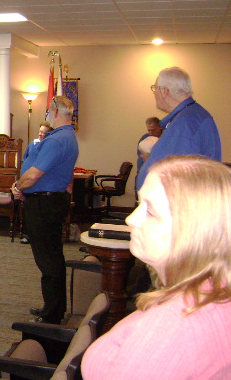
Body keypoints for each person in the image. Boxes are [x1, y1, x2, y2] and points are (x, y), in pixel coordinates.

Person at [82, 156, 231, 380]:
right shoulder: (213, 291)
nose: (132, 219)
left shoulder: (174, 328)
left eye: (151, 211)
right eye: (140, 203)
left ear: (196, 232)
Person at [11, 96, 78, 324]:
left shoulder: (56, 139)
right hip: (50, 201)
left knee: (48, 261)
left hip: (44, 204)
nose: (47, 114)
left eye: (49, 111)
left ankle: (52, 315)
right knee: (52, 258)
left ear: (55, 112)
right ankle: (53, 307)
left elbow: (33, 175)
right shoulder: (68, 136)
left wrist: (17, 187)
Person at [136, 66, 221, 191]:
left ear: (164, 91)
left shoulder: (185, 122)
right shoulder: (193, 116)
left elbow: (171, 175)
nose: (154, 93)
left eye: (154, 88)